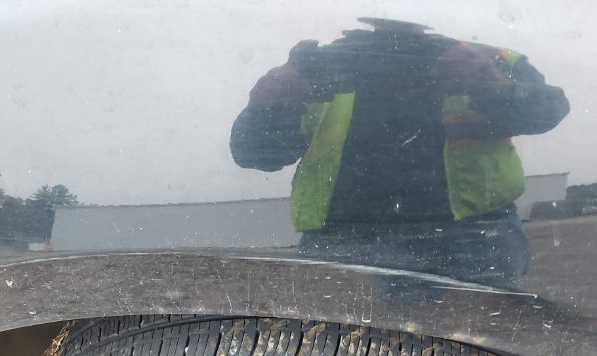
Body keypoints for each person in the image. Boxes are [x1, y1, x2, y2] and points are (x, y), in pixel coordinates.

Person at [230, 18, 569, 287]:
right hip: (348, 239)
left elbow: (548, 111)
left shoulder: (489, 59)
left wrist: (487, 79)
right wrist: (266, 103)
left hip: (472, 238)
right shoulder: (327, 63)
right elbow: (256, 153)